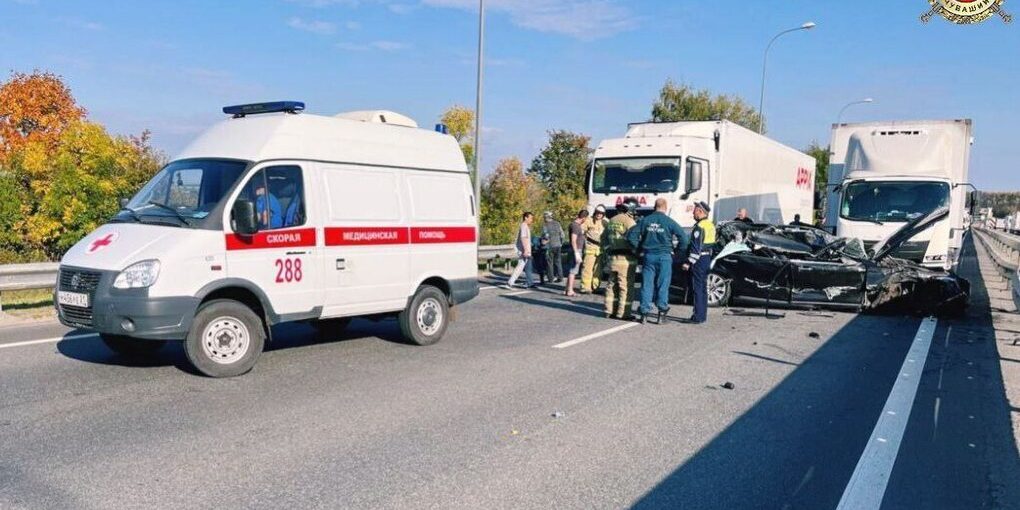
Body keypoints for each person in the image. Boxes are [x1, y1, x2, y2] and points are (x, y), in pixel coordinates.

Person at [627, 198, 689, 324]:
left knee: (647, 284)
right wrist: (677, 253)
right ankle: (661, 314)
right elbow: (684, 239)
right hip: (665, 257)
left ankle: (644, 313)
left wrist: (639, 249)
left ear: (655, 207)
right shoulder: (669, 222)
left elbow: (631, 236)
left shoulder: (645, 220)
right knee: (663, 285)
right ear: (665, 208)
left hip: (648, 256)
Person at [602, 199, 639, 320]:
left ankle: (608, 310)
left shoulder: (611, 220)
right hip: (626, 260)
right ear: (630, 209)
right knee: (625, 286)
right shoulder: (630, 221)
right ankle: (623, 313)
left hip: (613, 259)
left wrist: (609, 249)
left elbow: (603, 239)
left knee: (611, 285)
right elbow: (634, 239)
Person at [683, 202, 716, 325]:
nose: (693, 213)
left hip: (699, 260)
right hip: (707, 259)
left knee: (697, 288)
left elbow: (696, 248)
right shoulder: (711, 225)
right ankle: (702, 315)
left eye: (695, 211)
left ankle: (697, 316)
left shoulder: (700, 227)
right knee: (703, 289)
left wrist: (688, 262)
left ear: (701, 212)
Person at [580, 205, 608, 294]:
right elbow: (581, 231)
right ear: (595, 212)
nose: (599, 215)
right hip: (590, 248)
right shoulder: (588, 220)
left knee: (598, 270)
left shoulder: (606, 222)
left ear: (603, 214)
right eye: (598, 213)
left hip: (601, 249)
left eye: (601, 213)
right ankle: (585, 287)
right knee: (587, 268)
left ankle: (595, 287)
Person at [506, 212, 537, 289]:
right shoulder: (524, 226)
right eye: (530, 218)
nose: (531, 220)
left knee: (522, 266)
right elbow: (523, 238)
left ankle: (528, 283)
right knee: (520, 266)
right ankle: (510, 283)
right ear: (525, 218)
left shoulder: (525, 226)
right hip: (523, 250)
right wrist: (526, 250)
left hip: (525, 250)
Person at [565, 209, 589, 297]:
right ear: (584, 217)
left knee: (571, 270)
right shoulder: (575, 226)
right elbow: (573, 240)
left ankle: (567, 289)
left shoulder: (575, 225)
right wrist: (576, 253)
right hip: (576, 249)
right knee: (573, 271)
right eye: (585, 218)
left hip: (575, 249)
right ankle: (570, 290)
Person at [542, 212, 565, 283]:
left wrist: (543, 241)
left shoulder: (545, 225)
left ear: (546, 217)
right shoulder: (557, 223)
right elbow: (562, 235)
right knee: (558, 262)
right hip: (558, 245)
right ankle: (560, 277)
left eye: (544, 217)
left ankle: (551, 278)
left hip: (550, 246)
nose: (544, 219)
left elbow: (546, 236)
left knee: (550, 263)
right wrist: (561, 243)